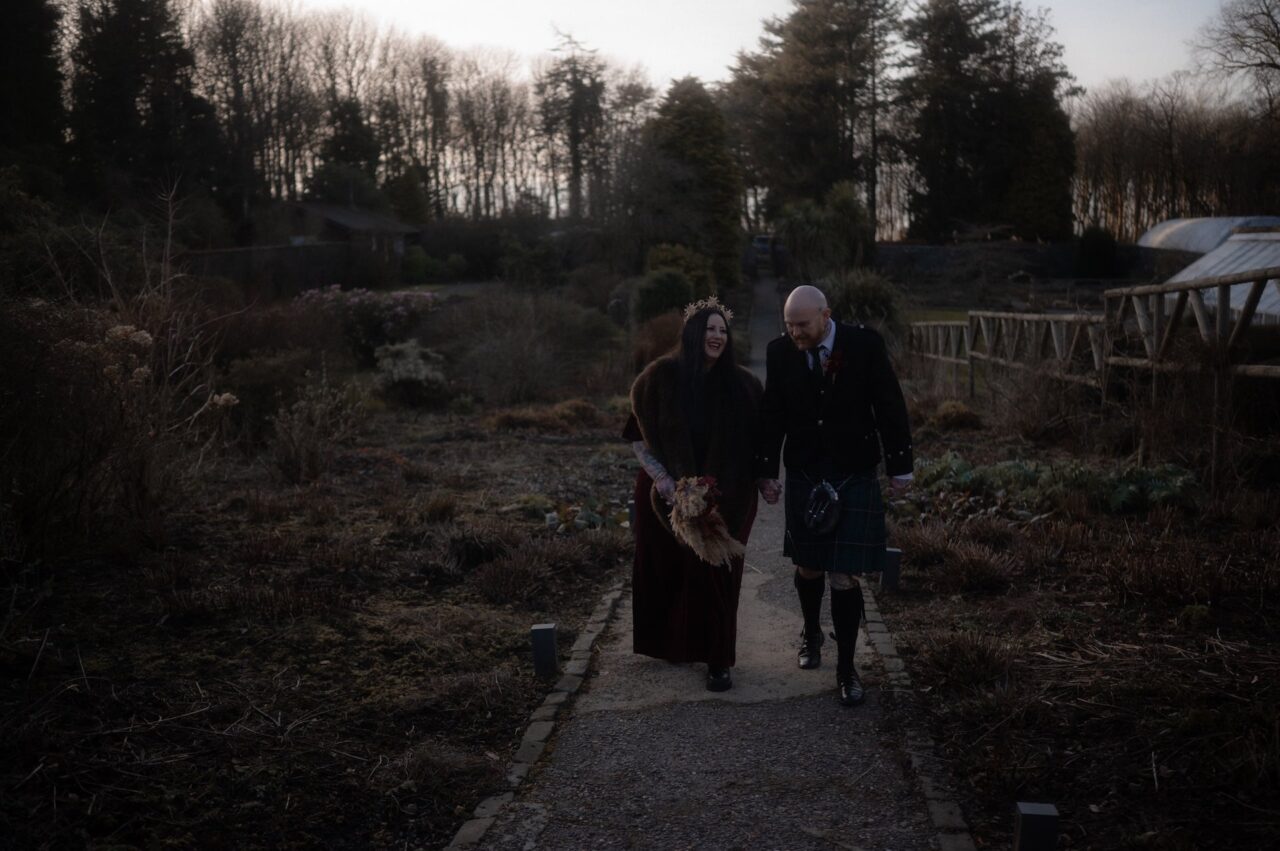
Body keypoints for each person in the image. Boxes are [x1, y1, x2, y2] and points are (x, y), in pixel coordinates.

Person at [757, 285, 913, 706]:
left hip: (853, 470)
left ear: (826, 315)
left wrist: (900, 465)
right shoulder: (779, 352)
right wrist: (767, 473)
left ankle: (847, 668)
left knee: (845, 574)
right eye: (789, 325)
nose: (795, 333)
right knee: (809, 566)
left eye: (802, 325)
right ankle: (810, 632)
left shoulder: (863, 345)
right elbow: (773, 413)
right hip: (806, 469)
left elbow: (889, 404)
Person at [623, 296, 764, 692]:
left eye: (722, 330)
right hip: (664, 490)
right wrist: (667, 484)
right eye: (709, 328)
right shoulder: (660, 377)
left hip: (728, 496)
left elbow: (761, 445)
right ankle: (675, 643)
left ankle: (718, 659)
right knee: (667, 569)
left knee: (717, 572)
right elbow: (638, 440)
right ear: (691, 333)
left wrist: (764, 480)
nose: (716, 335)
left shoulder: (743, 386)